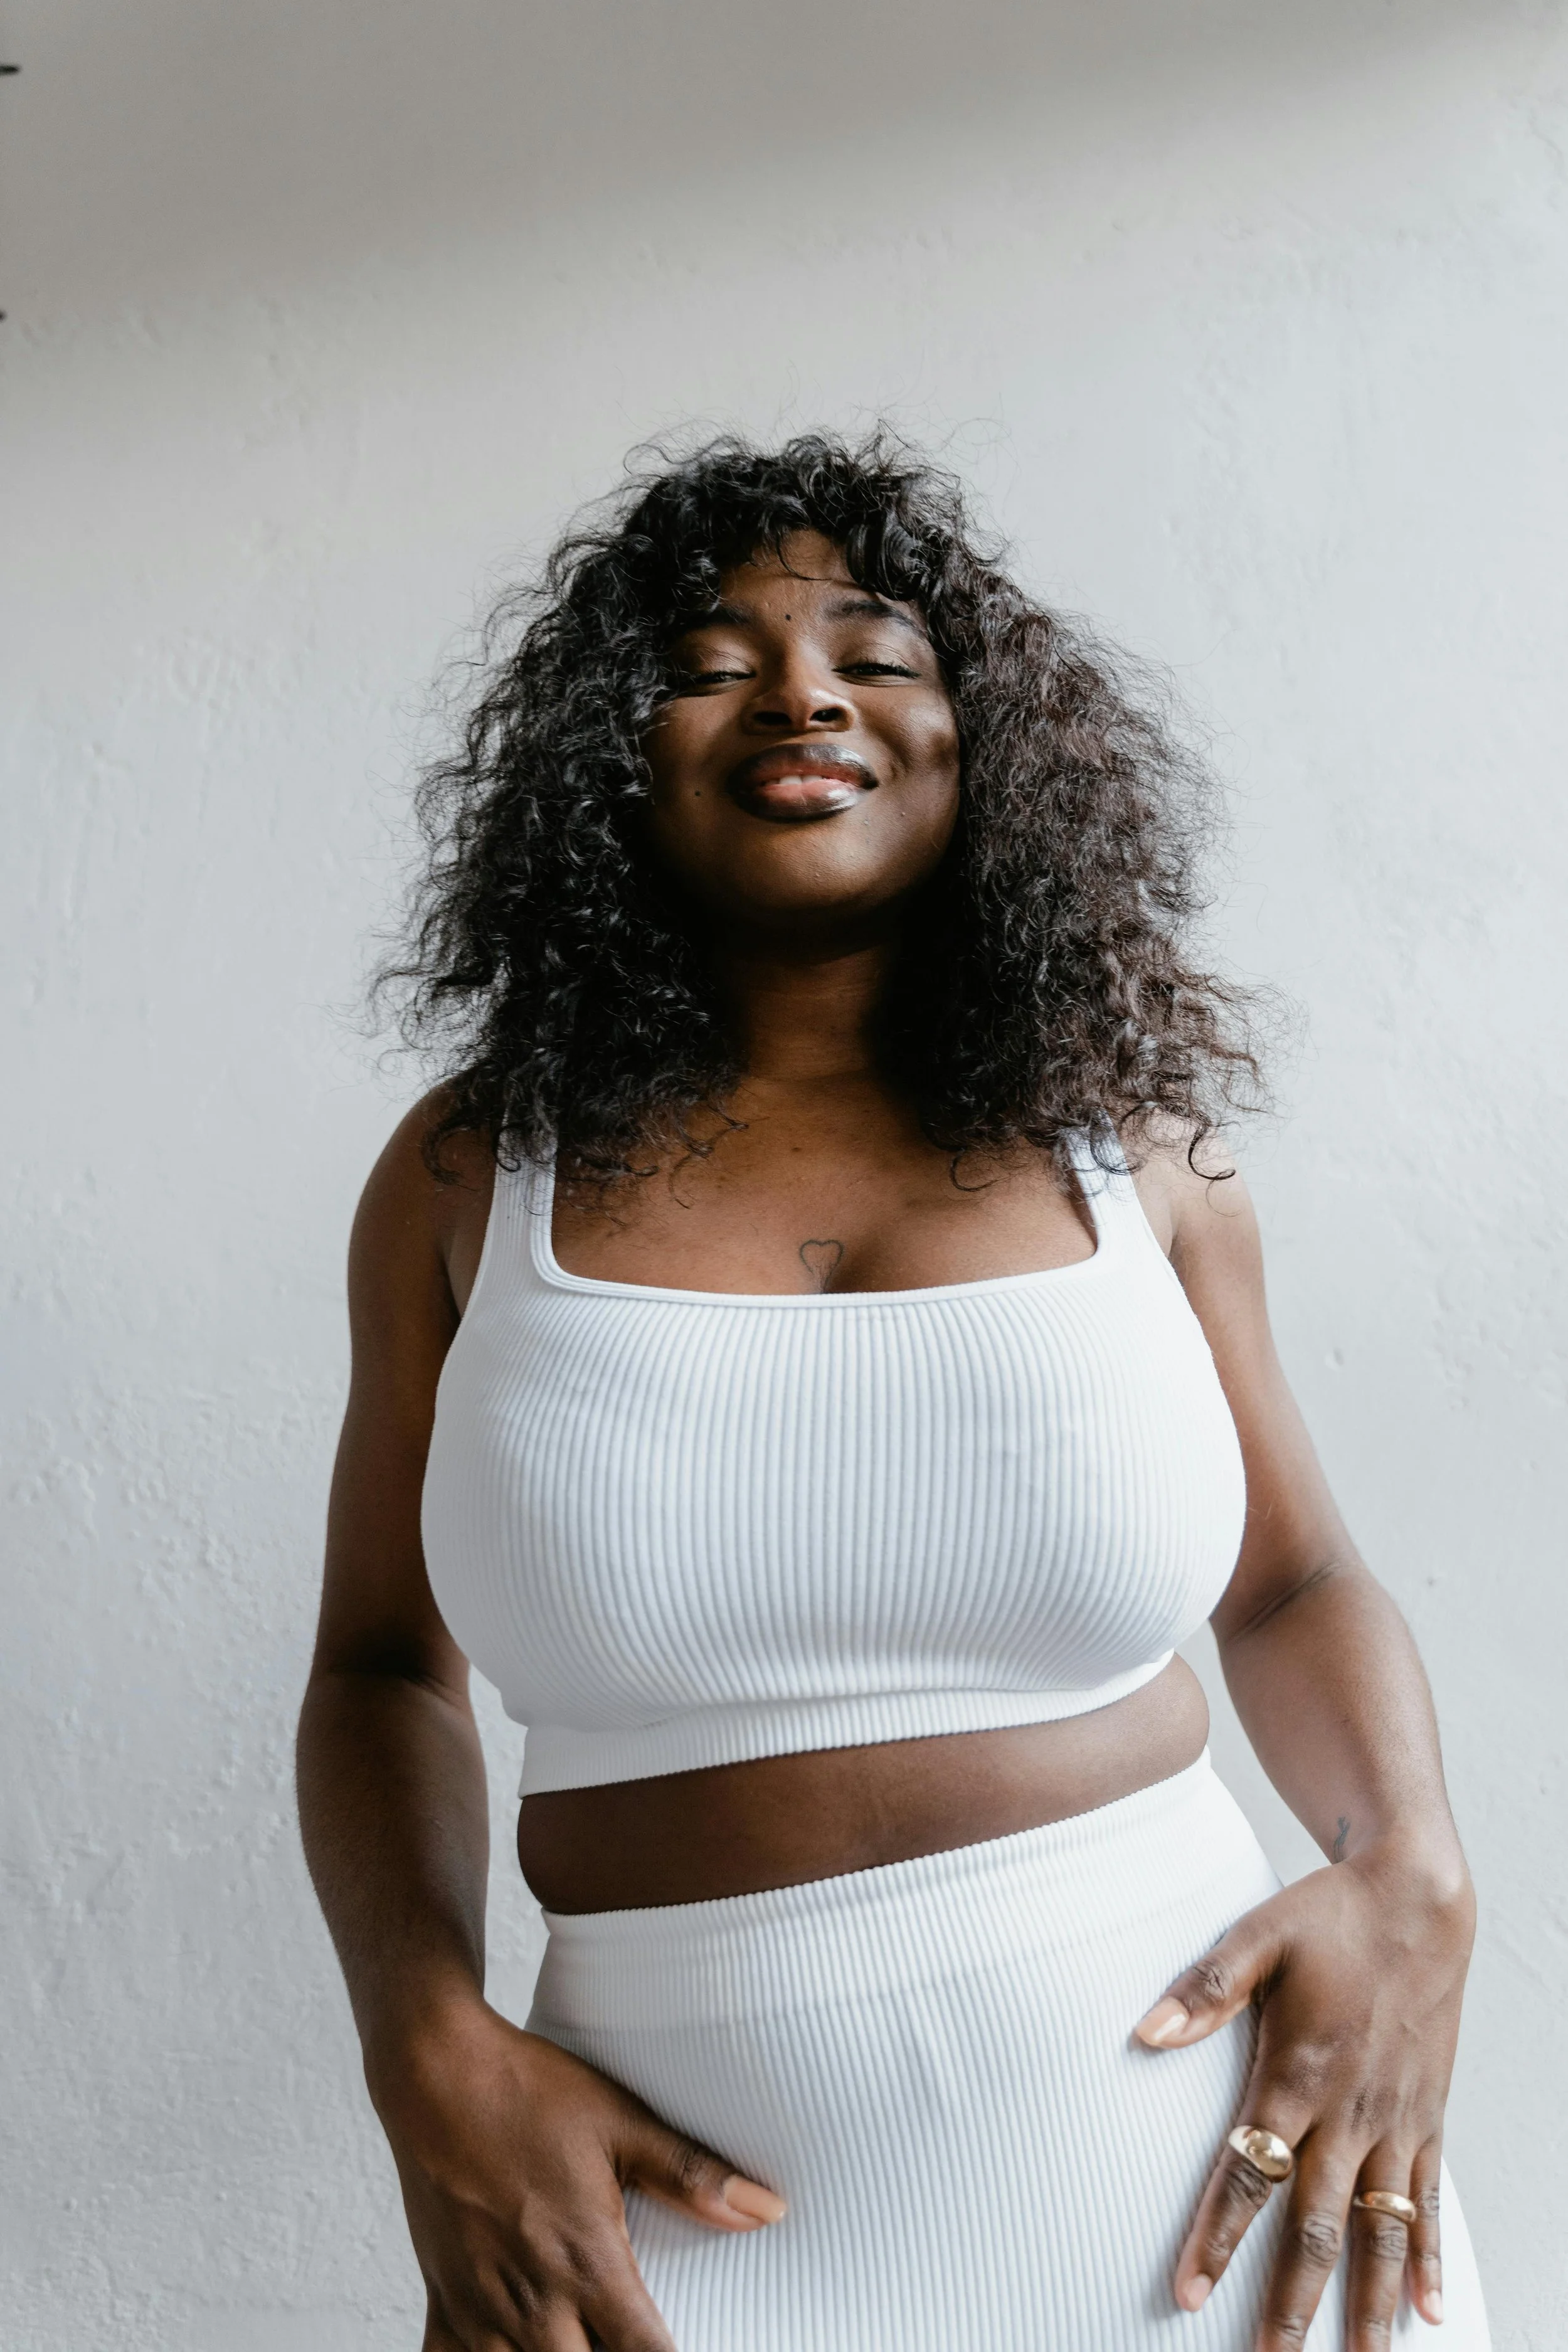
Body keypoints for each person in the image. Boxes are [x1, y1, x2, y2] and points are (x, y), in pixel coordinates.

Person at [296, 433, 1490, 2351]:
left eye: (877, 650)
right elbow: (375, 1669)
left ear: (975, 742)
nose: (800, 690)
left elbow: (1289, 1584)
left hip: (1194, 2161)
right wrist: (420, 2038)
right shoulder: (466, 1173)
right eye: (707, 661)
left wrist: (1413, 1869)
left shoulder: (1137, 1153)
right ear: (611, 757)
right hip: (647, 2202)